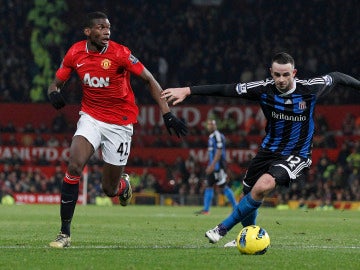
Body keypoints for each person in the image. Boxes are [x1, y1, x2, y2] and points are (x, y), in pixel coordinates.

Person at [161, 52, 360, 246]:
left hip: (296, 153)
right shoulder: (263, 89)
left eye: (286, 74)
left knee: (263, 186)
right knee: (247, 194)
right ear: (271, 73)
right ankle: (248, 235)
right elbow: (227, 89)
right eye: (277, 75)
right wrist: (188, 90)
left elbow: (337, 77)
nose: (281, 79)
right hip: (268, 151)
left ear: (294, 73)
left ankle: (221, 229)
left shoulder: (311, 89)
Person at [47, 11, 187, 248]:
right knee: (73, 165)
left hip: (119, 124)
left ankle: (123, 185)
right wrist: (53, 93)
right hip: (90, 117)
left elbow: (149, 79)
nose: (106, 31)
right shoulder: (75, 52)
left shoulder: (120, 53)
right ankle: (64, 233)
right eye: (101, 27)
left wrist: (167, 113)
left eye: (108, 27)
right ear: (88, 32)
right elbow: (56, 81)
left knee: (109, 189)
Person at [196, 119, 237, 215]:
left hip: (218, 167)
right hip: (213, 166)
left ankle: (236, 206)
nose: (210, 126)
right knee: (209, 186)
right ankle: (206, 210)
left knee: (223, 186)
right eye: (209, 124)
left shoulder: (217, 136)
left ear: (215, 126)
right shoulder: (211, 137)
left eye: (212, 124)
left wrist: (212, 165)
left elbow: (219, 152)